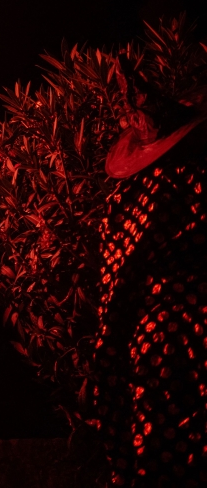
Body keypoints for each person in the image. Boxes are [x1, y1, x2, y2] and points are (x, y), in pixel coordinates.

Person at [91, 62, 207, 487]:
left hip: (160, 335)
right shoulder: (183, 180)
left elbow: (118, 276)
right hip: (173, 330)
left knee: (160, 443)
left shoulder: (138, 192)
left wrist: (107, 347)